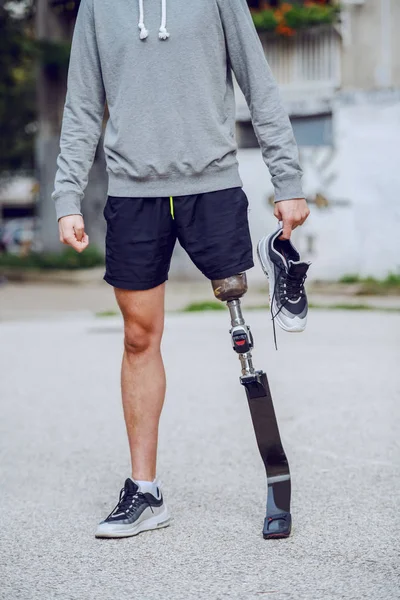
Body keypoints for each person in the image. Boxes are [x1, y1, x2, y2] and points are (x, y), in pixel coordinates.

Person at [52, 0, 310, 539]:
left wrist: (287, 182)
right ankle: (145, 492)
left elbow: (258, 85)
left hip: (211, 185)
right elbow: (81, 104)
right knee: (138, 336)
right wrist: (68, 195)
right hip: (132, 193)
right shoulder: (99, 8)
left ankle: (275, 475)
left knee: (241, 332)